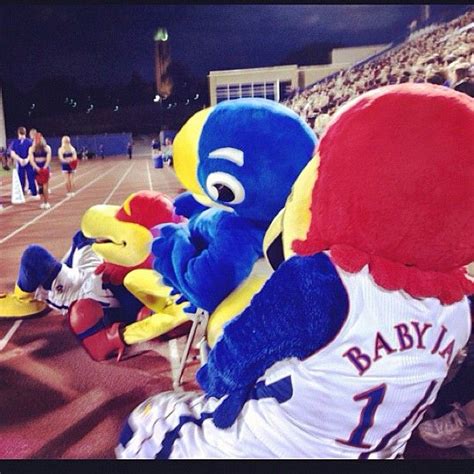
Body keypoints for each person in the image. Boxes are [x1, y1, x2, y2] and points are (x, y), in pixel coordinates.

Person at [10, 126, 38, 201]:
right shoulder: (15, 142)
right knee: (21, 178)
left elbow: (31, 152)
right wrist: (20, 159)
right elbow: (12, 153)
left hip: (27, 162)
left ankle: (33, 192)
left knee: (30, 177)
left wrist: (26, 160)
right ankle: (22, 192)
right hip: (20, 162)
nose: (22, 136)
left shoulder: (28, 142)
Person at [28, 133, 52, 209]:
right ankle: (46, 202)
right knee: (45, 185)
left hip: (36, 167)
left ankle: (44, 202)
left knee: (40, 185)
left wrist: (37, 168)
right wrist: (44, 168)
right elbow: (48, 160)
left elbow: (32, 161)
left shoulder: (32, 148)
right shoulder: (47, 148)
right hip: (44, 167)